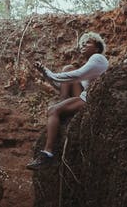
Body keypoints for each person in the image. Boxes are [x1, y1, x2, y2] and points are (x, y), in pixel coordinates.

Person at [26, 32, 109, 170]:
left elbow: (78, 75)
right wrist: (46, 75)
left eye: (88, 43)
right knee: (68, 68)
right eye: (82, 44)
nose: (83, 45)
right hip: (83, 96)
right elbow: (64, 84)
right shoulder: (91, 63)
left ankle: (48, 154)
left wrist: (50, 73)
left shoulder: (98, 58)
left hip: (90, 99)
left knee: (52, 110)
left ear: (97, 47)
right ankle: (61, 109)